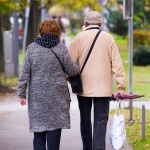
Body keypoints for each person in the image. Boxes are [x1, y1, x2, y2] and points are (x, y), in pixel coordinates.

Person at [18, 19, 79, 150]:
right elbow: (71, 70)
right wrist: (78, 65)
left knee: (39, 136)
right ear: (57, 32)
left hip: (37, 98)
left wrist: (21, 94)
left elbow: (24, 74)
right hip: (57, 97)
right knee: (54, 134)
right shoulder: (61, 48)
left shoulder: (32, 48)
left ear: (41, 31)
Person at [68, 11, 126, 150]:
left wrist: (71, 80)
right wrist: (120, 88)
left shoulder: (78, 38)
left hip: (83, 89)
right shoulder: (108, 38)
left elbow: (69, 65)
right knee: (101, 121)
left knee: (85, 121)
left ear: (85, 23)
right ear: (101, 24)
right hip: (103, 89)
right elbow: (117, 64)